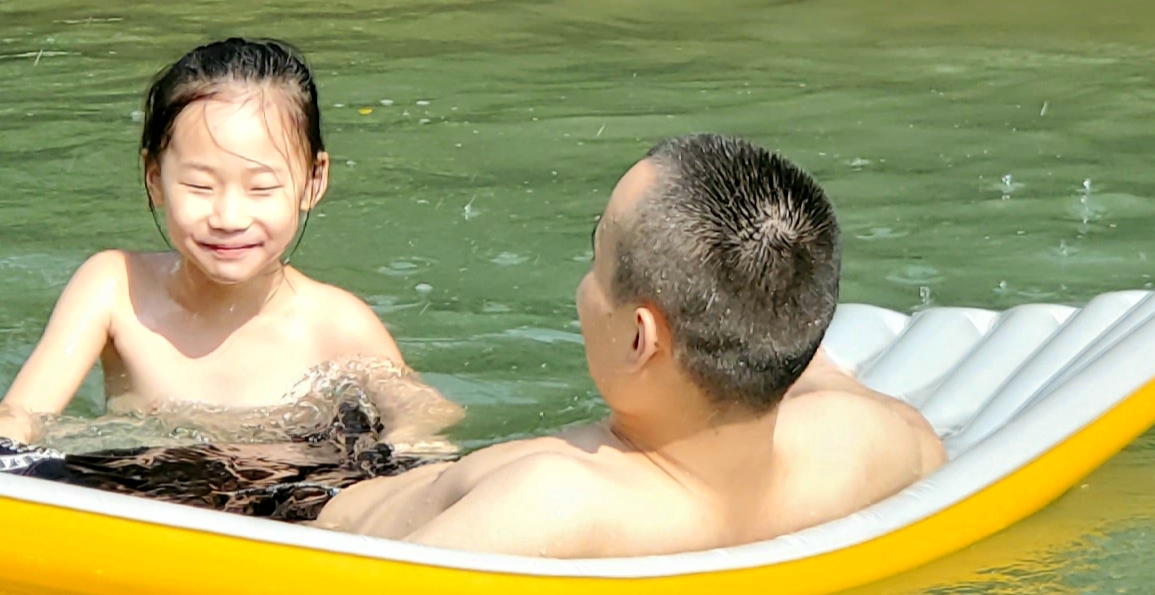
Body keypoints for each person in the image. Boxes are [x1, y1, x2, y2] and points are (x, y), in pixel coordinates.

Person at [0, 38, 453, 453]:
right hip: (136, 491)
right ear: (154, 178)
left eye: (261, 188)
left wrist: (404, 447)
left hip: (285, 508)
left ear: (313, 182)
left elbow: (425, 417)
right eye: (199, 185)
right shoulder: (115, 286)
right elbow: (25, 412)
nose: (228, 216)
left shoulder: (335, 321)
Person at [315, 134, 943, 557]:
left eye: (597, 256)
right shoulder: (871, 440)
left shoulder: (554, 499)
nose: (583, 287)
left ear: (641, 339)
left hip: (304, 505)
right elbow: (840, 388)